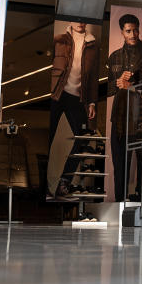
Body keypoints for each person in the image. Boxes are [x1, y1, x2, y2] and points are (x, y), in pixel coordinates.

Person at [108, 13, 142, 202]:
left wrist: (134, 84)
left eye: (136, 30)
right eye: (129, 31)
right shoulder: (114, 57)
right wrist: (118, 83)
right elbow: (109, 88)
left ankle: (140, 194)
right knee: (120, 160)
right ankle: (120, 199)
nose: (133, 34)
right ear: (122, 32)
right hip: (120, 115)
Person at [49, 21, 99, 197]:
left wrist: (92, 102)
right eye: (76, 18)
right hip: (57, 93)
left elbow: (94, 76)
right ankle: (45, 186)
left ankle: (64, 182)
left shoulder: (92, 44)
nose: (80, 22)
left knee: (81, 138)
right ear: (70, 20)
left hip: (77, 97)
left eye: (83, 19)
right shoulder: (59, 39)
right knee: (50, 136)